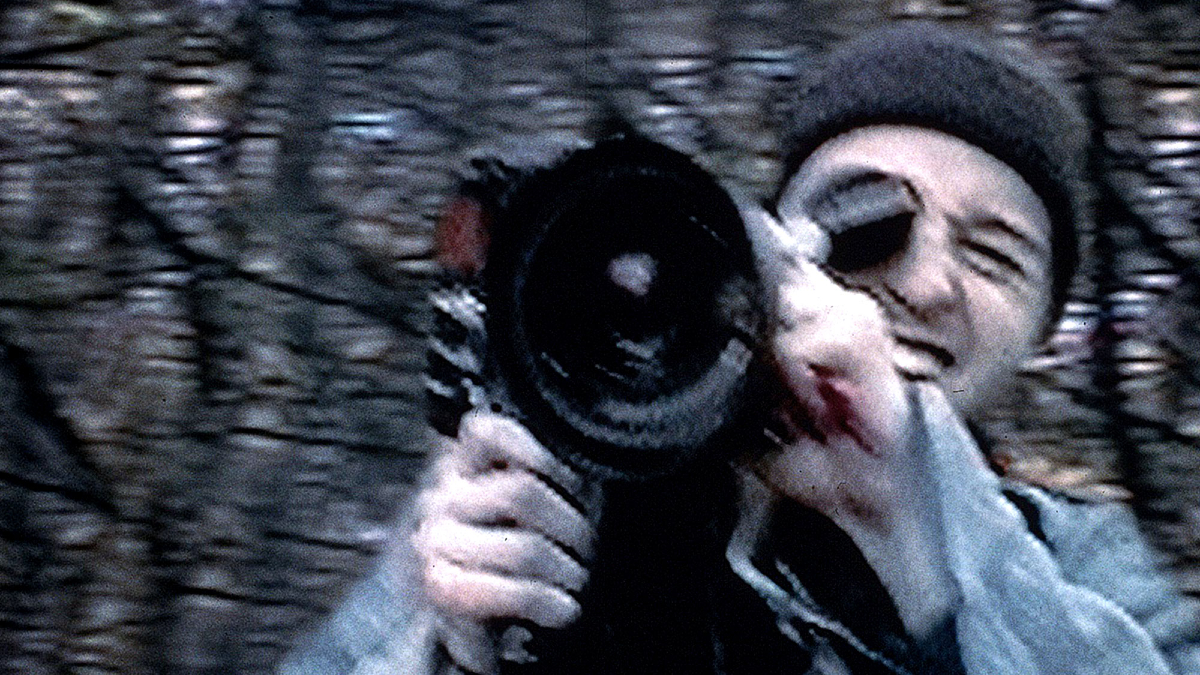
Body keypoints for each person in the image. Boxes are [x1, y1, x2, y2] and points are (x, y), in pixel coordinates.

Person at [279, 22, 1200, 675]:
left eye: (993, 255)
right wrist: (437, 644)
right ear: (760, 254)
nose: (925, 285)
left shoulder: (1087, 567)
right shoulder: (567, 469)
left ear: (1041, 334)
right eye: (867, 222)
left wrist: (925, 528)